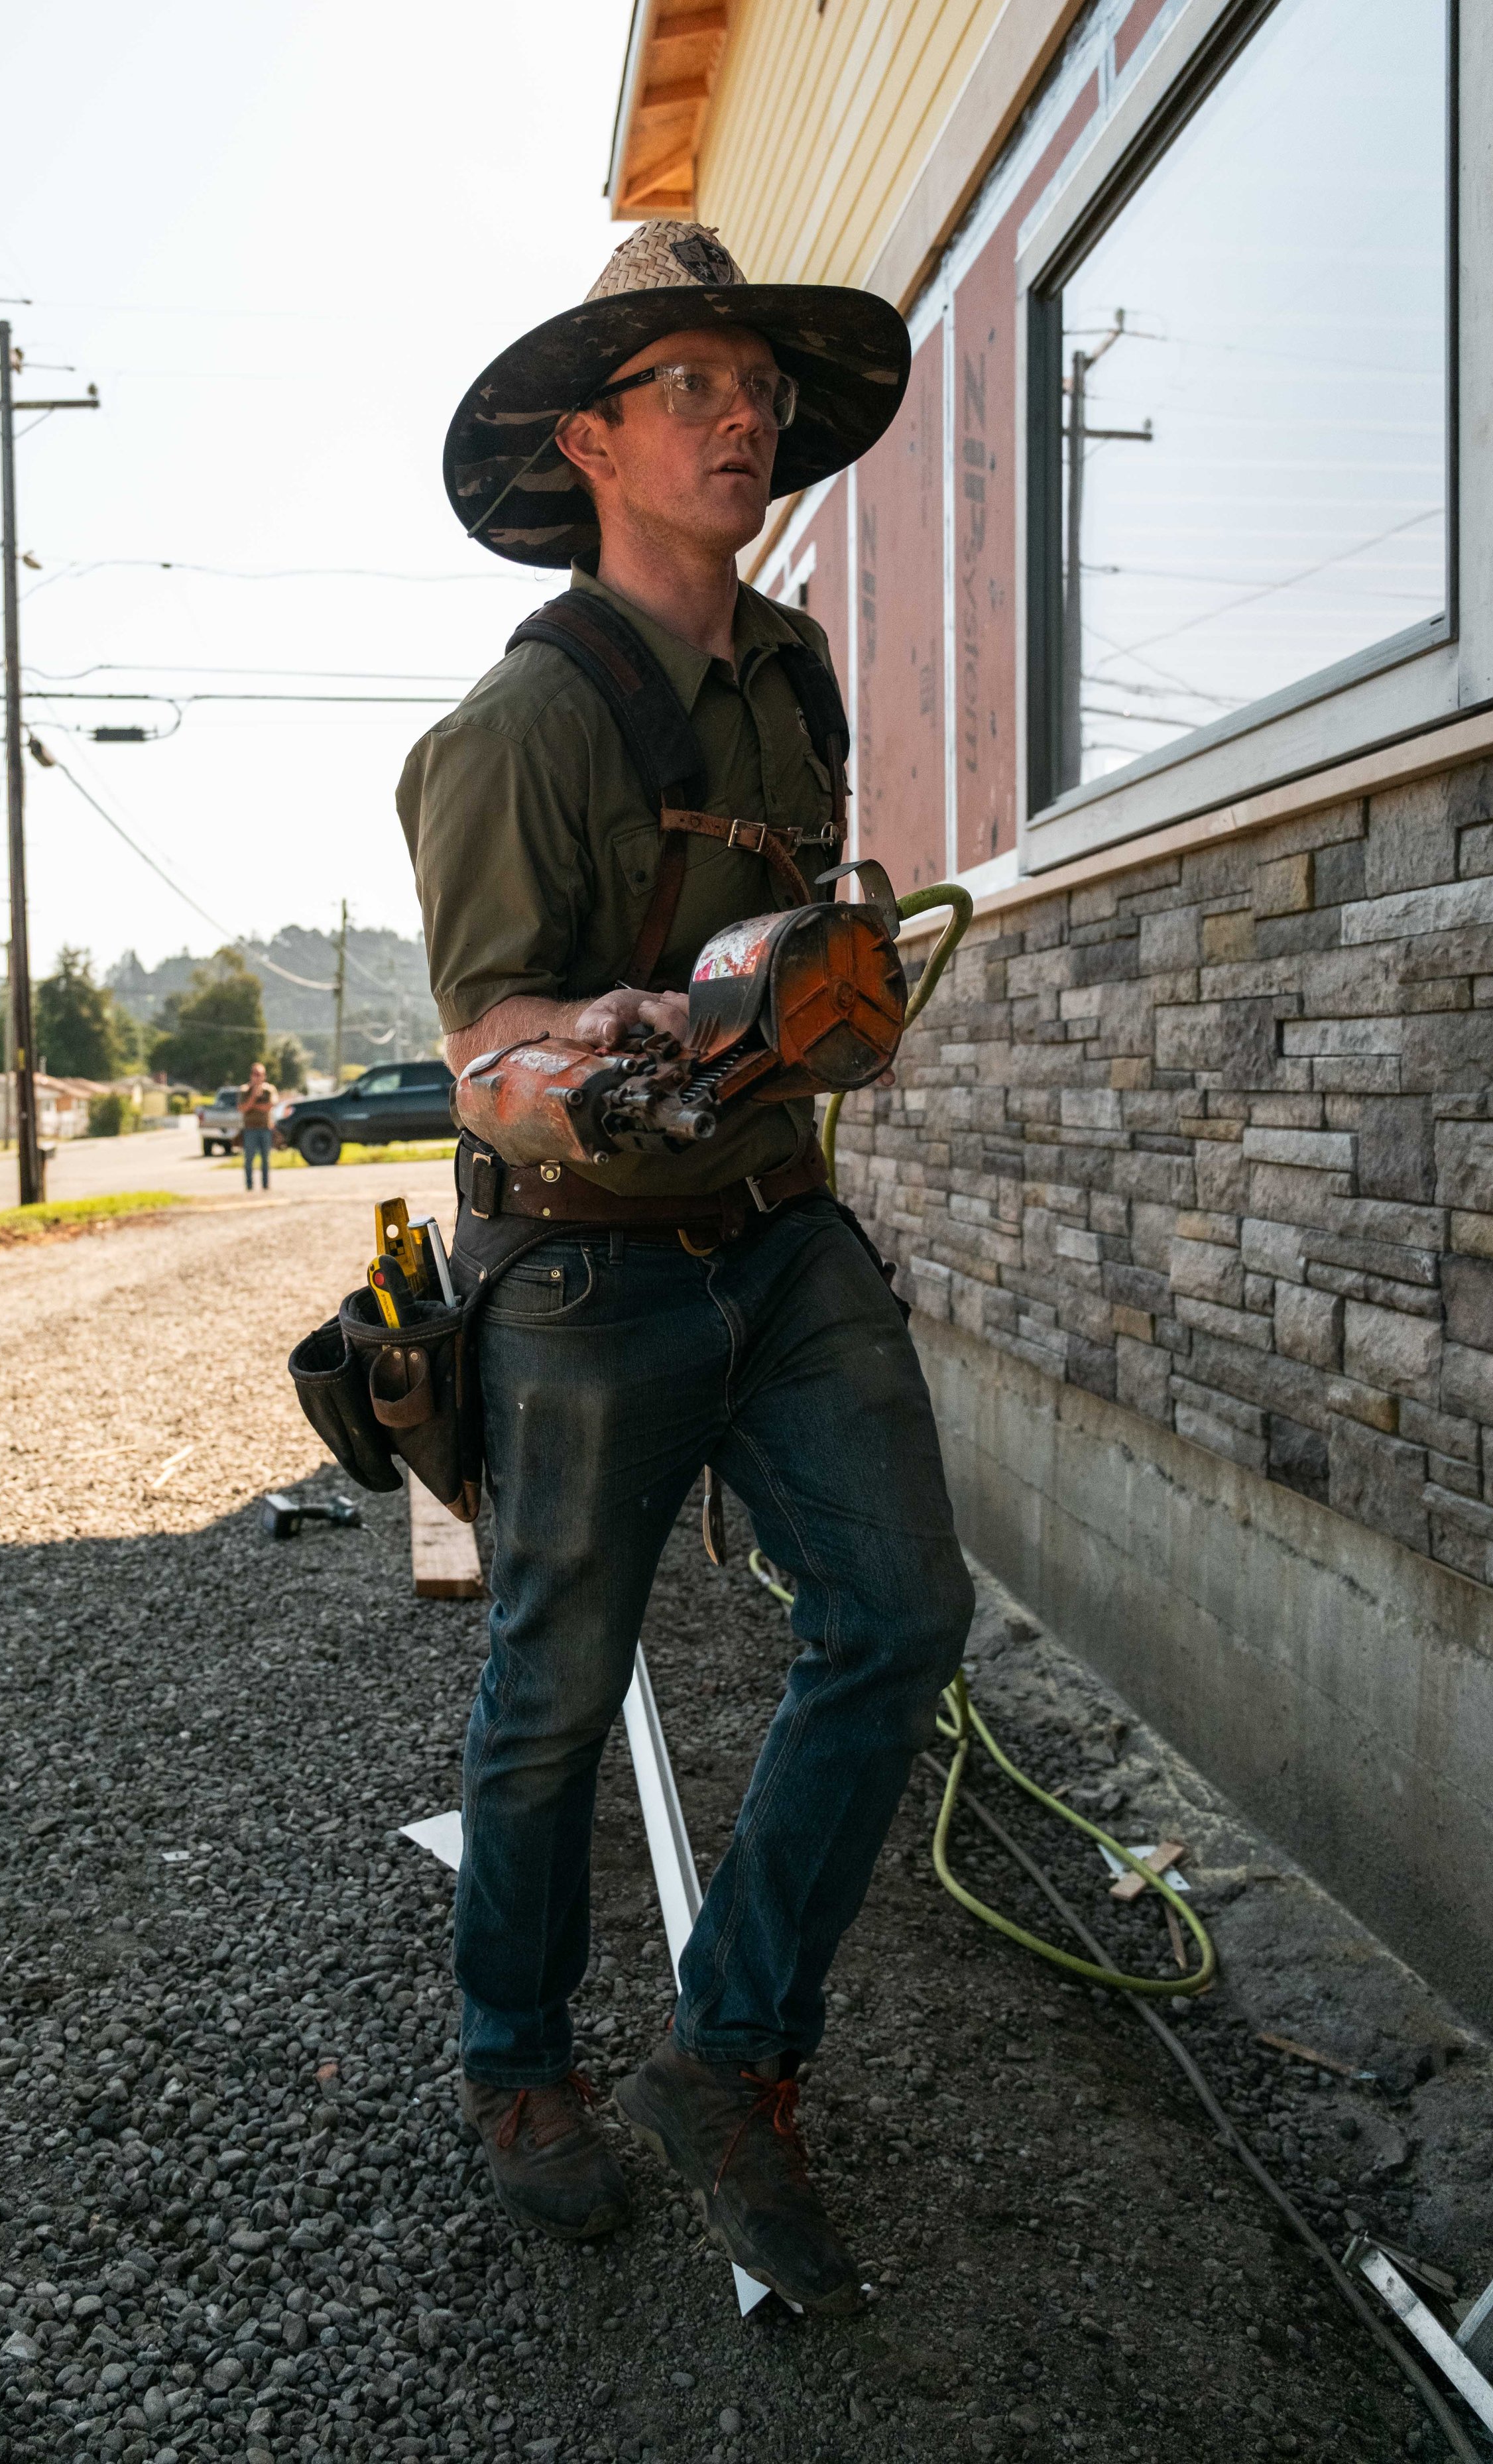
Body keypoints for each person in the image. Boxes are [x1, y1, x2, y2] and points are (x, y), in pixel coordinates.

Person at [396, 221, 974, 2316]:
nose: (745, 420)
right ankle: (516, 2063)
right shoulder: (517, 732)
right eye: (692, 392)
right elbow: (486, 1068)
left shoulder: (793, 672)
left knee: (901, 1609)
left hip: (779, 1232)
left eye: (757, 391)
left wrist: (816, 1012)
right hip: (578, 1274)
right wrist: (617, 1053)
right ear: (590, 442)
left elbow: (805, 949)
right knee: (549, 1694)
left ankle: (729, 2054)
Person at [238, 1062, 274, 1191]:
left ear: (264, 1076)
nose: (257, 1077)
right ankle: (249, 1186)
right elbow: (242, 1108)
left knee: (266, 1159)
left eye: (260, 1074)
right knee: (249, 1159)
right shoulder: (245, 1090)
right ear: (251, 1075)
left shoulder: (269, 1090)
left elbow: (269, 1106)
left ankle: (266, 1185)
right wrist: (253, 1097)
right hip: (250, 1129)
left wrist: (252, 1106)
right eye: (255, 1074)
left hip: (265, 1128)